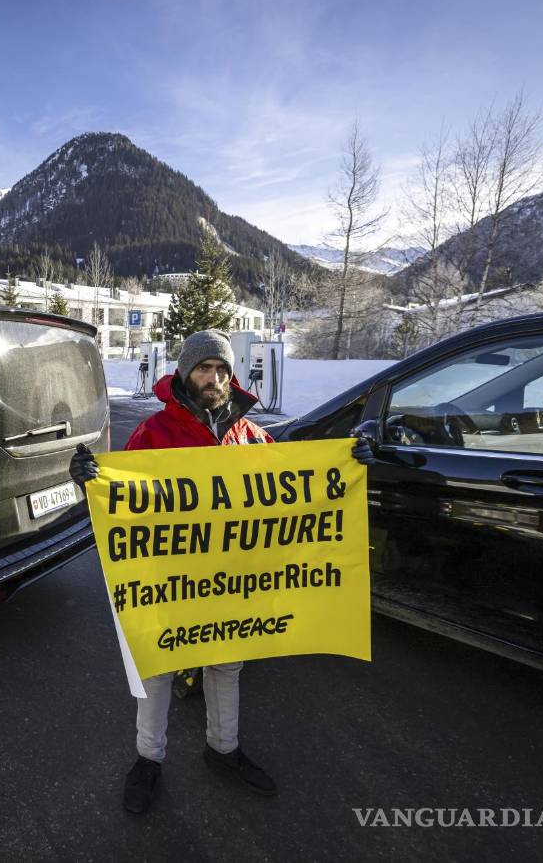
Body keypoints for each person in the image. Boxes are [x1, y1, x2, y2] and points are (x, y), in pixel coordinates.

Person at [69, 329, 373, 814]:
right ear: (186, 372)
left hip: (232, 579)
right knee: (160, 666)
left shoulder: (251, 437)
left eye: (222, 369)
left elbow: (293, 488)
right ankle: (148, 759)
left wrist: (349, 465)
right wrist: (92, 480)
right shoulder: (155, 434)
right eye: (204, 368)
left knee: (227, 663)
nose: (213, 378)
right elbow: (122, 504)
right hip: (167, 579)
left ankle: (223, 750)